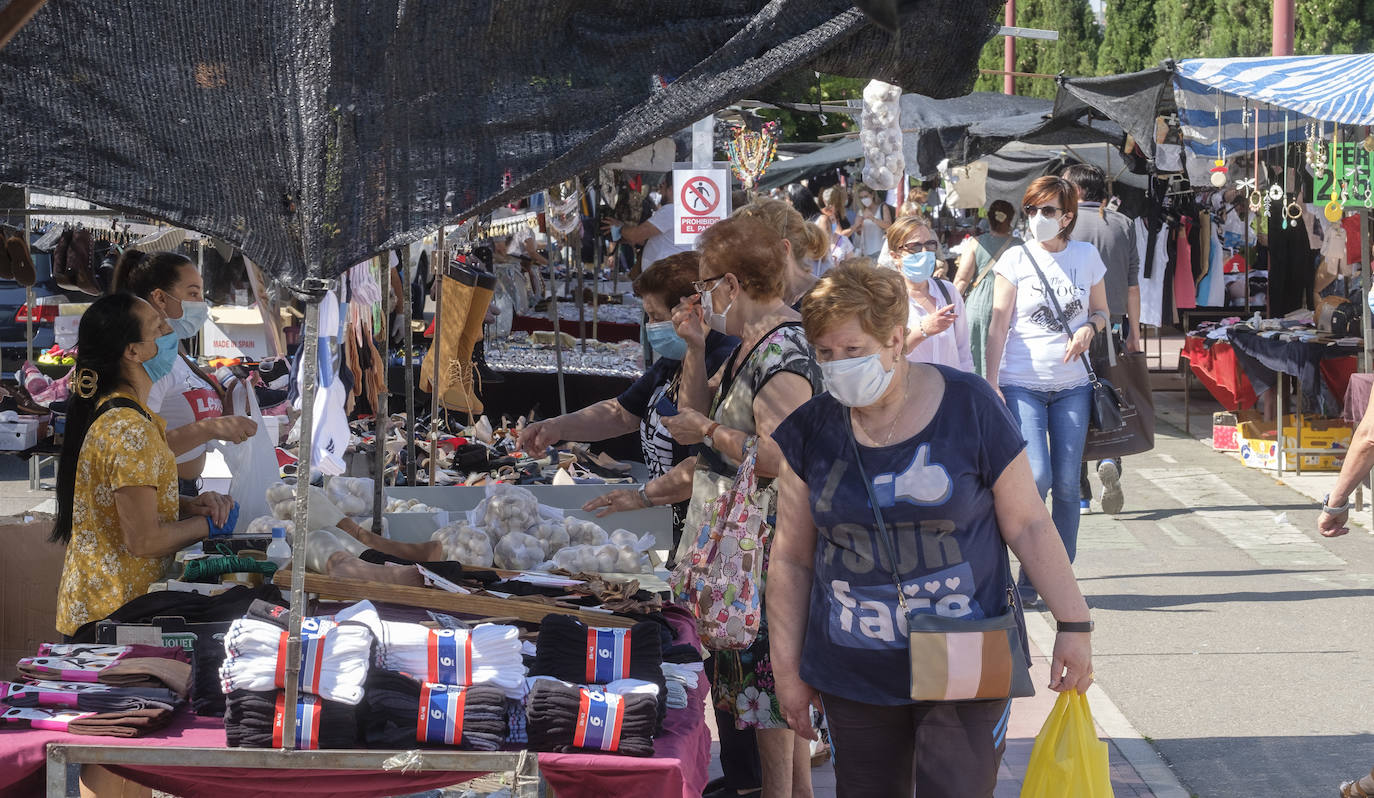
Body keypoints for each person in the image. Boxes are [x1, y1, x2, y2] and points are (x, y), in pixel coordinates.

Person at [768, 260, 1094, 798]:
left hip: (965, 645)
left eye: (853, 350)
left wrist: (1074, 626)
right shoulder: (811, 429)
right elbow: (791, 558)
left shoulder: (970, 405)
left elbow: (1031, 523)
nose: (838, 365)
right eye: (824, 353)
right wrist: (787, 671)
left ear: (897, 339)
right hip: (856, 663)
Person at [666, 215, 824, 798]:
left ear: (732, 282)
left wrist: (708, 430)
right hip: (750, 556)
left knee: (774, 703)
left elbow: (779, 455)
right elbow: (690, 422)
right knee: (769, 707)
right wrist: (695, 346)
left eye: (706, 281)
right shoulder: (748, 346)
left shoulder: (780, 350)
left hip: (769, 556)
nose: (701, 294)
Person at [516, 252, 737, 556]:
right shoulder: (675, 359)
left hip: (703, 539)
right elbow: (621, 413)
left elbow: (704, 460)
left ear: (692, 310)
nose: (650, 325)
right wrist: (555, 426)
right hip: (667, 528)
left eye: (656, 316)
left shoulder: (721, 358)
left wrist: (641, 497)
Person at [53, 293, 240, 638]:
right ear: (133, 351)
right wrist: (207, 525)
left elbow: (120, 506)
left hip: (114, 609)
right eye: (158, 326)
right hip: (111, 617)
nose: (170, 331)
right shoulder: (129, 428)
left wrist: (187, 507)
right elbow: (144, 540)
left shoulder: (133, 416)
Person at [984, 176, 1110, 606]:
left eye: (1048, 211)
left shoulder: (1086, 256)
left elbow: (1102, 311)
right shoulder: (1016, 258)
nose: (1037, 218)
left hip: (1073, 386)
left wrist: (1089, 330)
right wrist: (990, 379)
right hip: (1023, 382)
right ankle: (1020, 563)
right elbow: (998, 323)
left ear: (1068, 217)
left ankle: (1053, 575)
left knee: (1069, 484)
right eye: (1033, 210)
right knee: (1036, 476)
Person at [111, 250, 258, 495]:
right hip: (153, 491)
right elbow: (136, 449)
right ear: (159, 297)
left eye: (201, 293)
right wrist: (212, 428)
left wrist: (231, 403)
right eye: (193, 293)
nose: (201, 303)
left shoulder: (173, 352)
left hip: (183, 492)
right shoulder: (146, 361)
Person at [1062, 163, 1141, 516]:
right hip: (1111, 331)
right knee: (1110, 399)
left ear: (1076, 192)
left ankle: (1080, 494)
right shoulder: (1123, 224)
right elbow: (1132, 285)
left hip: (1070, 332)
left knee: (1071, 406)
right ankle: (1109, 458)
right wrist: (1136, 334)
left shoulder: (1065, 223)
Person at [886, 218, 973, 372]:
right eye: (915, 247)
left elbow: (963, 351)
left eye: (930, 245)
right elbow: (887, 354)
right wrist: (923, 330)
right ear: (895, 256)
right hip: (911, 392)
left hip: (950, 390)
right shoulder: (888, 299)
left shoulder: (947, 292)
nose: (925, 253)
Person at [952, 200, 1019, 379]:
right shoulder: (1021, 246)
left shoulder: (975, 243)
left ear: (988, 220)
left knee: (974, 354)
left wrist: (950, 307)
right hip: (1011, 305)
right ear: (1011, 220)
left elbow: (961, 280)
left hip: (977, 305)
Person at [732, 197, 830, 309]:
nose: (742, 264)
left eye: (752, 253)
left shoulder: (827, 301)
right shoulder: (765, 301)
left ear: (783, 249)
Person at [602, 173, 690, 274]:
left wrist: (619, 227)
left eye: (662, 185)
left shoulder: (670, 210)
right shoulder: (682, 211)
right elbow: (647, 239)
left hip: (667, 274)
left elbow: (637, 235)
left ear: (671, 188)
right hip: (670, 272)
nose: (659, 191)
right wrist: (626, 237)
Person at [814, 185, 855, 273]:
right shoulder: (823, 218)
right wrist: (856, 225)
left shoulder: (836, 215)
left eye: (833, 220)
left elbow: (852, 265)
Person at [852, 184, 893, 258]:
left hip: (880, 250)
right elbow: (859, 233)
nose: (864, 199)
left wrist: (873, 219)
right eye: (861, 197)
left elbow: (889, 225)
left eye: (866, 196)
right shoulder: (861, 212)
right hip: (865, 252)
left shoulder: (882, 207)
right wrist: (858, 227)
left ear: (872, 195)